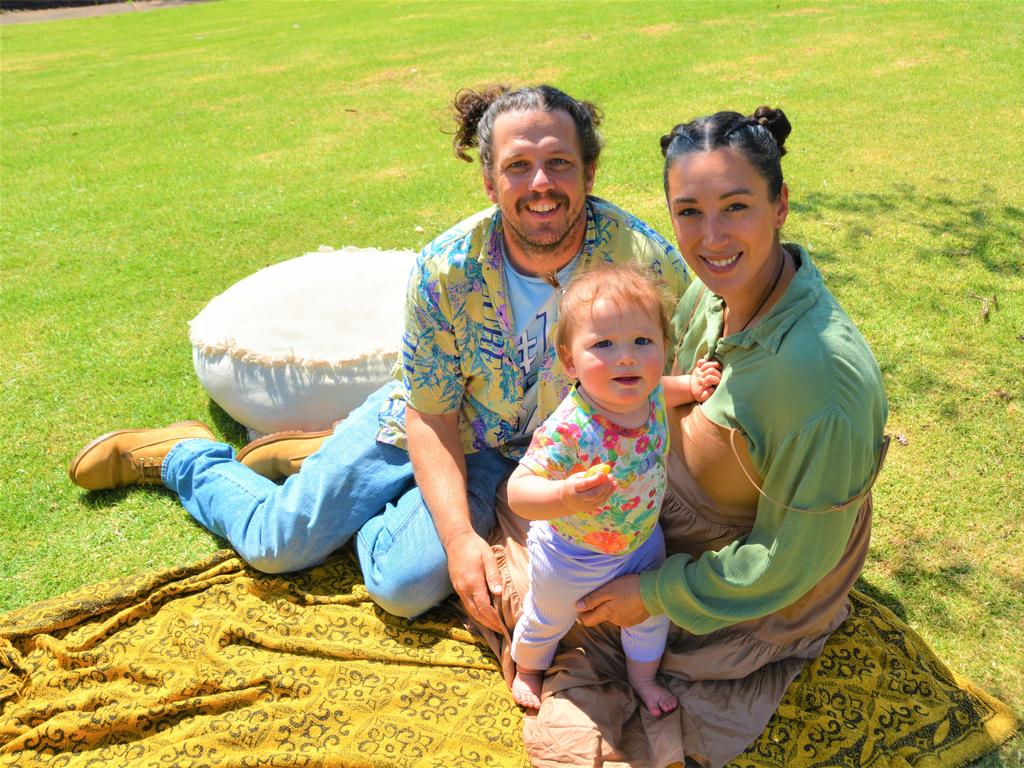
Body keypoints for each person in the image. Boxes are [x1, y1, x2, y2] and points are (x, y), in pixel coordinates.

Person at [68, 84, 689, 632]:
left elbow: (688, 374)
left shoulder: (644, 261)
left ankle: (323, 461)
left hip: (534, 462)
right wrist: (457, 539)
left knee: (404, 587)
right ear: (489, 179)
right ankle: (184, 456)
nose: (541, 185)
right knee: (277, 544)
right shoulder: (447, 269)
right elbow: (432, 414)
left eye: (559, 163)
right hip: (434, 425)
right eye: (518, 166)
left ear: (589, 170)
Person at [488, 106, 888, 764]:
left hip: (756, 579)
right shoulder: (713, 290)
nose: (711, 238)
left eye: (736, 207)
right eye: (689, 212)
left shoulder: (821, 384)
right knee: (533, 537)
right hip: (658, 506)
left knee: (597, 684)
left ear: (780, 203)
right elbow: (653, 390)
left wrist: (650, 592)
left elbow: (790, 561)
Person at [506, 264, 720, 715]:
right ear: (569, 361)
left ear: (664, 347)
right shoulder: (571, 428)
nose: (626, 357)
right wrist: (564, 496)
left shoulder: (646, 394)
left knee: (650, 613)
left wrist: (693, 386)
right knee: (549, 618)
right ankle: (528, 666)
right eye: (603, 344)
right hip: (571, 554)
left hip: (641, 542)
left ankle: (642, 677)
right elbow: (519, 492)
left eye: (642, 342)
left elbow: (663, 389)